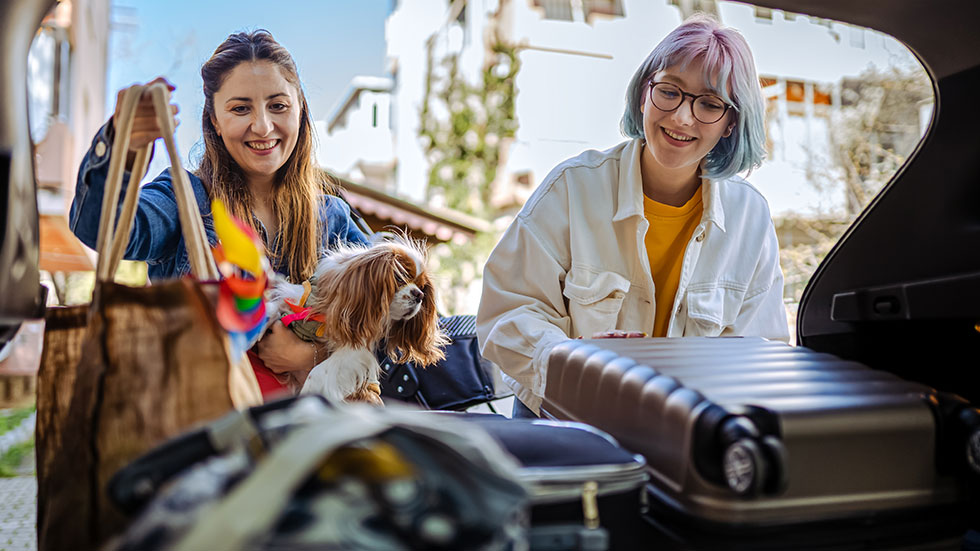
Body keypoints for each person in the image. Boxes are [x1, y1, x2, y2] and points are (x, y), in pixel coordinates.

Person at [476, 15, 790, 418]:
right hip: (565, 417)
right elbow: (508, 311)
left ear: (731, 123)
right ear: (644, 94)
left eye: (709, 104)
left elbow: (762, 352)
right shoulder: (572, 188)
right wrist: (575, 362)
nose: (681, 117)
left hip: (685, 425)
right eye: (669, 91)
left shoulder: (750, 218)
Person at [70, 30, 369, 391]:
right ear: (214, 119)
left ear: (300, 109)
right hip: (202, 426)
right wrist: (121, 142)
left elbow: (397, 314)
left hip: (308, 435)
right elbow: (100, 228)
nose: (262, 126)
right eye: (240, 108)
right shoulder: (186, 201)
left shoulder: (332, 217)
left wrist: (313, 355)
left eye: (278, 105)